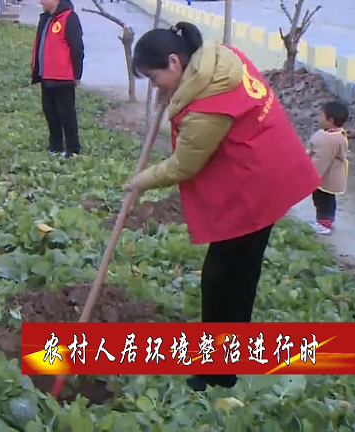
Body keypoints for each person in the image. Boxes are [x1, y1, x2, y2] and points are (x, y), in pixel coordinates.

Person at [125, 22, 319, 392]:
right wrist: (171, 94)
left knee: (221, 279)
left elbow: (183, 165)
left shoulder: (207, 105)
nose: (156, 87)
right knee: (239, 274)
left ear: (174, 61)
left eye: (154, 78)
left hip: (256, 185)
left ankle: (218, 373)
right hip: (268, 163)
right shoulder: (220, 59)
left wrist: (139, 182)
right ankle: (230, 358)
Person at [31, 0, 84, 157]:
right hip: (46, 75)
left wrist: (76, 74)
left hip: (63, 76)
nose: (40, 2)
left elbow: (77, 48)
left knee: (66, 113)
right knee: (50, 112)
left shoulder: (69, 18)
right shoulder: (46, 18)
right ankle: (55, 146)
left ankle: (73, 149)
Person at [308, 100, 350, 235]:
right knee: (328, 200)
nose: (319, 118)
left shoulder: (328, 140)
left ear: (330, 120)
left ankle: (324, 224)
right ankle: (324, 221)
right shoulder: (338, 135)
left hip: (326, 178)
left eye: (321, 116)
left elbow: (321, 160)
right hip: (331, 177)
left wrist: (311, 176)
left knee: (323, 200)